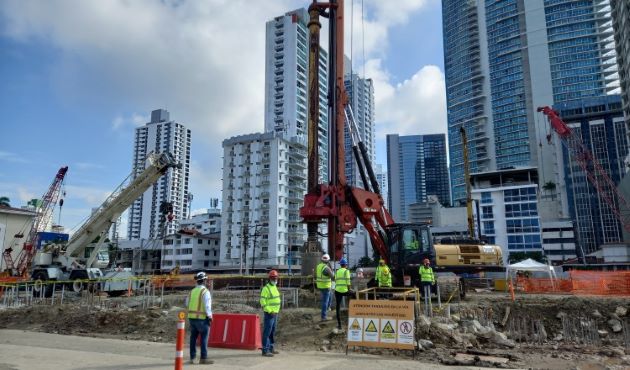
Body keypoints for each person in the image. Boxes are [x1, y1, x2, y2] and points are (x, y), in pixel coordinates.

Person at [186, 272, 213, 365]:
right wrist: (210, 316)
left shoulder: (192, 291)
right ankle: (203, 358)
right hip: (202, 319)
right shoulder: (205, 292)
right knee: (204, 338)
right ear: (204, 281)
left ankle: (192, 358)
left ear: (197, 281)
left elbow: (186, 304)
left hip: (191, 318)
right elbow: (207, 306)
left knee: (193, 338)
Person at [260, 270, 281, 357]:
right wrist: (269, 310)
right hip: (270, 314)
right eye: (273, 278)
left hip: (275, 313)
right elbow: (262, 301)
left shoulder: (274, 287)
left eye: (276, 277)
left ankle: (271, 348)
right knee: (267, 332)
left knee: (272, 331)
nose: (275, 279)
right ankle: (265, 349)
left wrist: (275, 311)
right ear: (270, 278)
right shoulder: (266, 288)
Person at [334, 258, 353, 330]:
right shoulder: (346, 271)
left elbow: (335, 280)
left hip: (337, 291)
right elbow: (348, 282)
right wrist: (349, 289)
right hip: (345, 291)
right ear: (345, 265)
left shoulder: (337, 271)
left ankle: (339, 325)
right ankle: (352, 308)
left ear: (340, 265)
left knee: (337, 307)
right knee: (353, 295)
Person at [315, 253, 334, 320]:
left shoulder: (318, 266)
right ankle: (324, 317)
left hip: (320, 285)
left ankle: (328, 308)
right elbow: (333, 277)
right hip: (326, 286)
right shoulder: (327, 268)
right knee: (325, 301)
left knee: (330, 295)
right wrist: (331, 267)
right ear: (328, 261)